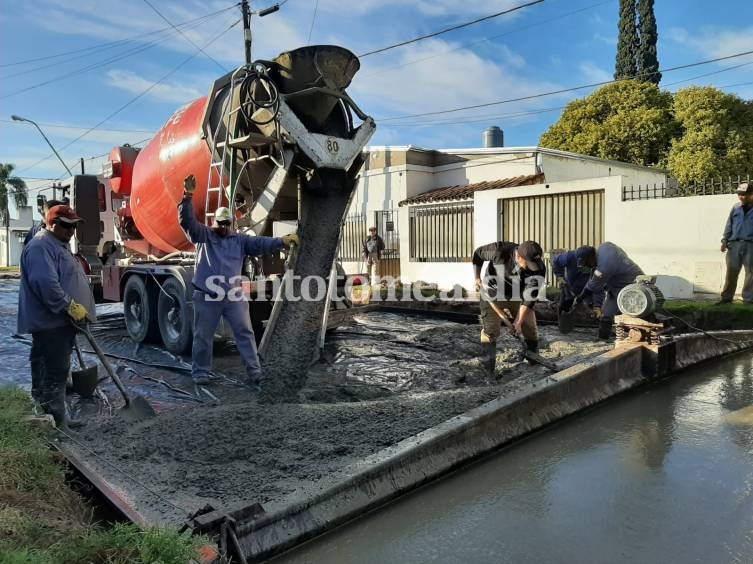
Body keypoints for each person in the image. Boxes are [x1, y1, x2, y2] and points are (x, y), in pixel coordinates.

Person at [179, 174, 299, 387]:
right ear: (214, 222)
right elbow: (187, 223)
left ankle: (255, 372)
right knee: (203, 336)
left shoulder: (240, 241)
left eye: (227, 223)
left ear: (231, 223)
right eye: (220, 223)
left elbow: (260, 243)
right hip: (207, 296)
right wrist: (187, 197)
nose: (223, 227)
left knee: (245, 333)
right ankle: (200, 373)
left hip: (233, 296)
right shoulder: (204, 235)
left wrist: (282, 241)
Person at [17, 204, 95, 430]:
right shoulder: (41, 246)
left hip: (59, 321)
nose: (71, 231)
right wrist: (70, 307)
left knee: (45, 368)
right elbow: (46, 285)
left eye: (74, 226)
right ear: (52, 224)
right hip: (51, 323)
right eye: (66, 226)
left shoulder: (57, 245)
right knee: (56, 372)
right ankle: (57, 421)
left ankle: (45, 418)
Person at [472, 240, 546, 373]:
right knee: (491, 329)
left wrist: (518, 322)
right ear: (518, 257)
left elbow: (529, 299)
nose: (531, 268)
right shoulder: (499, 251)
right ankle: (487, 369)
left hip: (518, 294)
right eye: (528, 264)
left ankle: (534, 361)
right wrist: (477, 277)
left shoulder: (539, 268)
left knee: (529, 326)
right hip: (492, 291)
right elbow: (477, 254)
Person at [579, 241, 644, 340]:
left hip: (632, 285)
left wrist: (579, 298)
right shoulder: (604, 246)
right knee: (606, 315)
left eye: (586, 263)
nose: (587, 266)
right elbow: (596, 285)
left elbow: (592, 286)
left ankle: (639, 336)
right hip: (616, 286)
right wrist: (597, 305)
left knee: (637, 314)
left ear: (591, 257)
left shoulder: (604, 267)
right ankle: (603, 340)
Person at [718, 182, 753, 304]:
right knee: (731, 272)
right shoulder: (736, 207)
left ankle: (749, 300)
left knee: (751, 273)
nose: (741, 197)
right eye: (739, 194)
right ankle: (726, 298)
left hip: (750, 245)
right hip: (734, 244)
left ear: (751, 194)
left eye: (744, 195)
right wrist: (724, 240)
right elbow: (729, 225)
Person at [552, 245, 600, 315]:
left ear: (591, 257)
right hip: (568, 286)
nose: (583, 266)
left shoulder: (600, 263)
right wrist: (560, 277)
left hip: (587, 290)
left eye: (585, 263)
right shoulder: (569, 256)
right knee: (564, 307)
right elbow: (556, 262)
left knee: (591, 309)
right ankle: (563, 322)